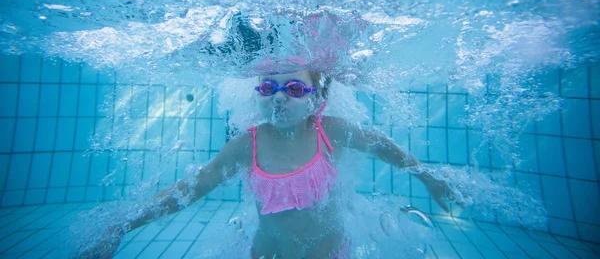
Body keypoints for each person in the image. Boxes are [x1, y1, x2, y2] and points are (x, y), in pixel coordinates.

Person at [83, 70, 455, 259]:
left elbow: (386, 148)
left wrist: (430, 179)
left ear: (317, 96)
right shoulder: (246, 145)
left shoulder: (332, 132)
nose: (279, 98)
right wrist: (123, 225)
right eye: (267, 88)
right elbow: (190, 189)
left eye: (294, 89)